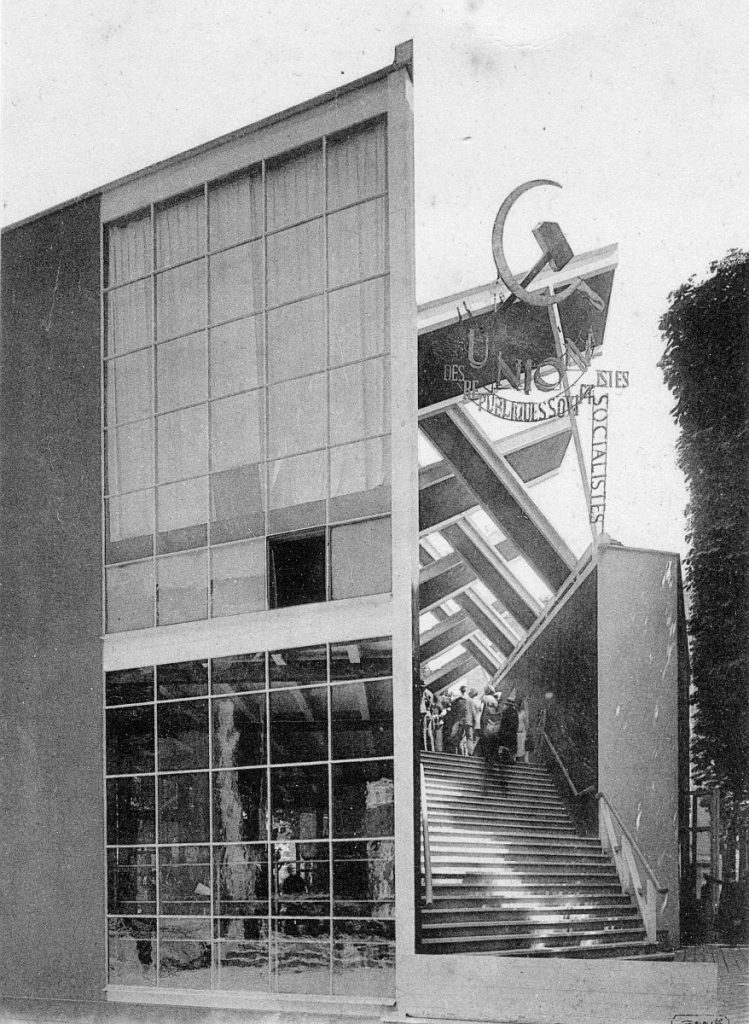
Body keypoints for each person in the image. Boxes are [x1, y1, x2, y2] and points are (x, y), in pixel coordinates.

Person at [450, 685, 473, 755]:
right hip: (469, 722)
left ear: (460, 690)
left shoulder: (457, 700)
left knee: (458, 737)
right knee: (469, 737)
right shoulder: (471, 701)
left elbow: (454, 710)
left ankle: (458, 752)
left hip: (460, 721)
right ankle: (470, 753)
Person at [516, 696, 529, 763]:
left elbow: (526, 723)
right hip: (516, 731)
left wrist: (525, 729)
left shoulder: (524, 713)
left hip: (522, 732)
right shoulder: (516, 712)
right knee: (517, 747)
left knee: (522, 748)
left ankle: (522, 761)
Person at [469, 688, 482, 755]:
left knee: (472, 737)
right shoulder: (479, 701)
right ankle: (474, 752)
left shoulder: (472, 701)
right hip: (479, 722)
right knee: (476, 738)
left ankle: (471, 752)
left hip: (474, 722)